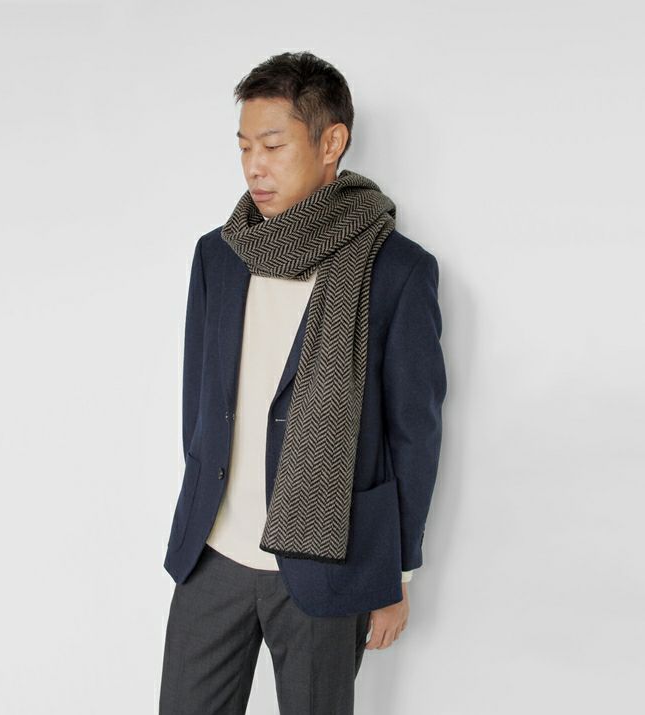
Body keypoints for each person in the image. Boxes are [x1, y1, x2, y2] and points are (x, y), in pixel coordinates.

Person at [159, 50, 447, 714]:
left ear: (330, 142)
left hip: (329, 564)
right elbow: (199, 403)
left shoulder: (397, 271)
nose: (253, 166)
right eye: (243, 147)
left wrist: (395, 573)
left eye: (272, 145)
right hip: (213, 555)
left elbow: (414, 435)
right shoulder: (218, 255)